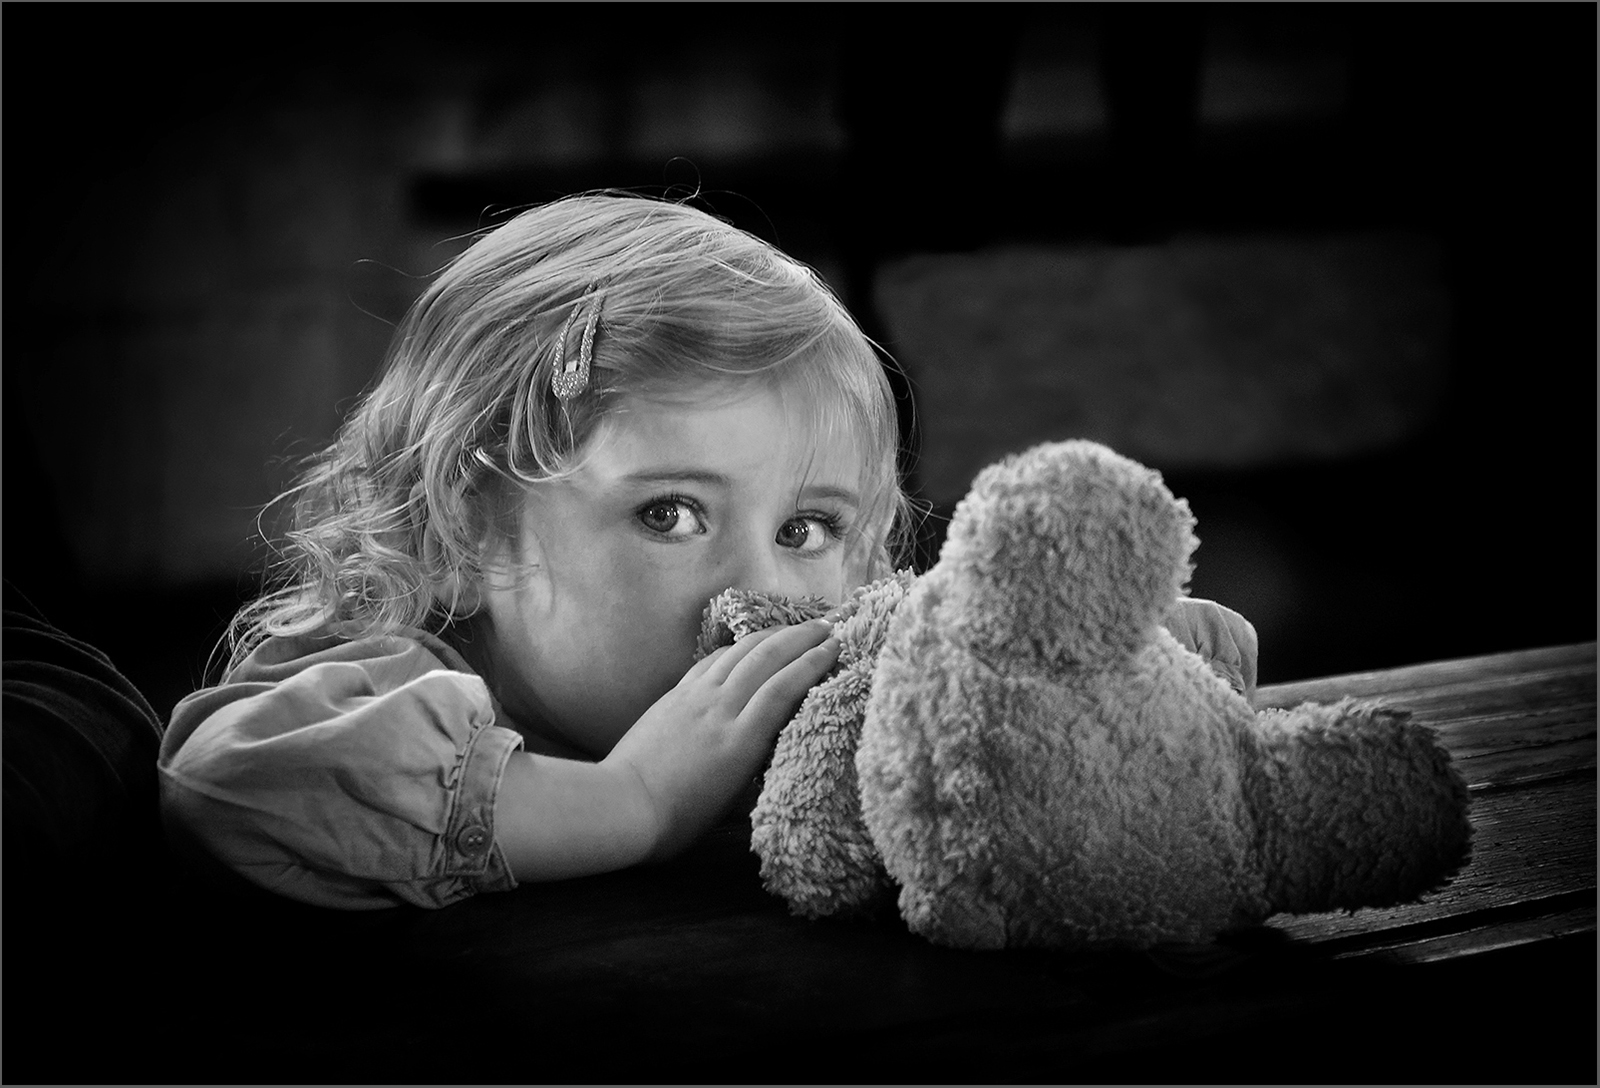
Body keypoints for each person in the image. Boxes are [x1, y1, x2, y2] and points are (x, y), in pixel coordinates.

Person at [158, 193, 1258, 911]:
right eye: (671, 514)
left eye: (806, 529)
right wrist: (629, 801)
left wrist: (1101, 671)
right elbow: (226, 785)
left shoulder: (834, 708)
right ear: (466, 532)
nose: (759, 587)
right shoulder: (402, 694)